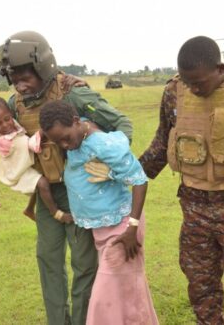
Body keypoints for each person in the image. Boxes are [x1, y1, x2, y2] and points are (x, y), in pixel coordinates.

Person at [0, 31, 133, 325]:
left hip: (81, 193)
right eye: (12, 76)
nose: (19, 82)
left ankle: (86, 320)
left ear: (43, 66)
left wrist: (110, 166)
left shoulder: (73, 93)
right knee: (48, 259)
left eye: (25, 74)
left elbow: (121, 123)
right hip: (47, 196)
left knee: (84, 264)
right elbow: (7, 135)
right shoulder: (14, 104)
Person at [136, 36, 224, 324]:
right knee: (201, 293)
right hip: (194, 210)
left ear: (220, 69)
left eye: (199, 82)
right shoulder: (174, 92)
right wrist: (127, 175)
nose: (193, 89)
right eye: (188, 82)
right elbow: (161, 144)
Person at [39, 100, 158, 325]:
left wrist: (132, 227)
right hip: (101, 230)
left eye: (66, 137)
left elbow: (140, 181)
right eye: (58, 142)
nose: (64, 145)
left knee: (104, 296)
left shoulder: (103, 144)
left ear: (76, 122)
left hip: (122, 229)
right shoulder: (75, 135)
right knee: (128, 293)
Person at [0, 96, 73, 223]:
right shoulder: (7, 141)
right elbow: (31, 144)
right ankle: (56, 213)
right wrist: (43, 131)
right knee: (42, 183)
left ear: (11, 113)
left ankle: (29, 209)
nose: (5, 125)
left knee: (36, 184)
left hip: (20, 165)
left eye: (7, 119)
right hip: (17, 172)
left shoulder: (4, 130)